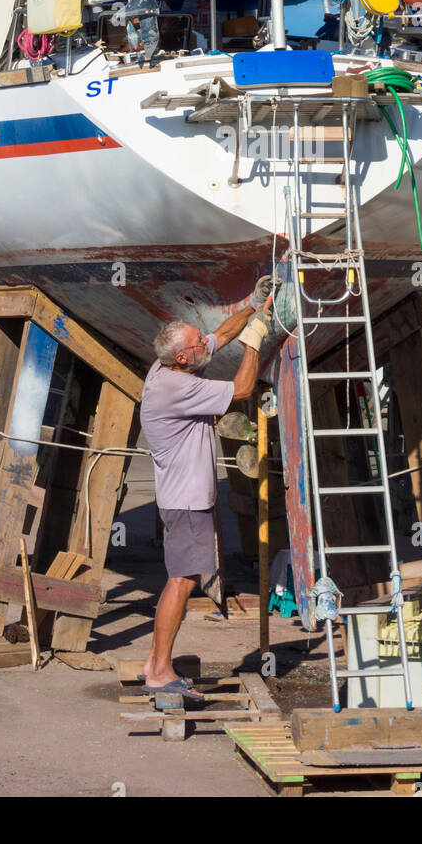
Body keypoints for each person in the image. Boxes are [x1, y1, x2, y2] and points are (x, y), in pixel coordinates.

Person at [139, 277, 275, 701]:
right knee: (180, 582)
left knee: (180, 579)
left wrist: (252, 305)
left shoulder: (168, 366)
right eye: (199, 342)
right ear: (184, 357)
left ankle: (154, 662)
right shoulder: (179, 388)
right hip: (186, 503)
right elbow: (243, 389)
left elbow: (220, 335)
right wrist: (255, 342)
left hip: (182, 500)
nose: (206, 343)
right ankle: (160, 670)